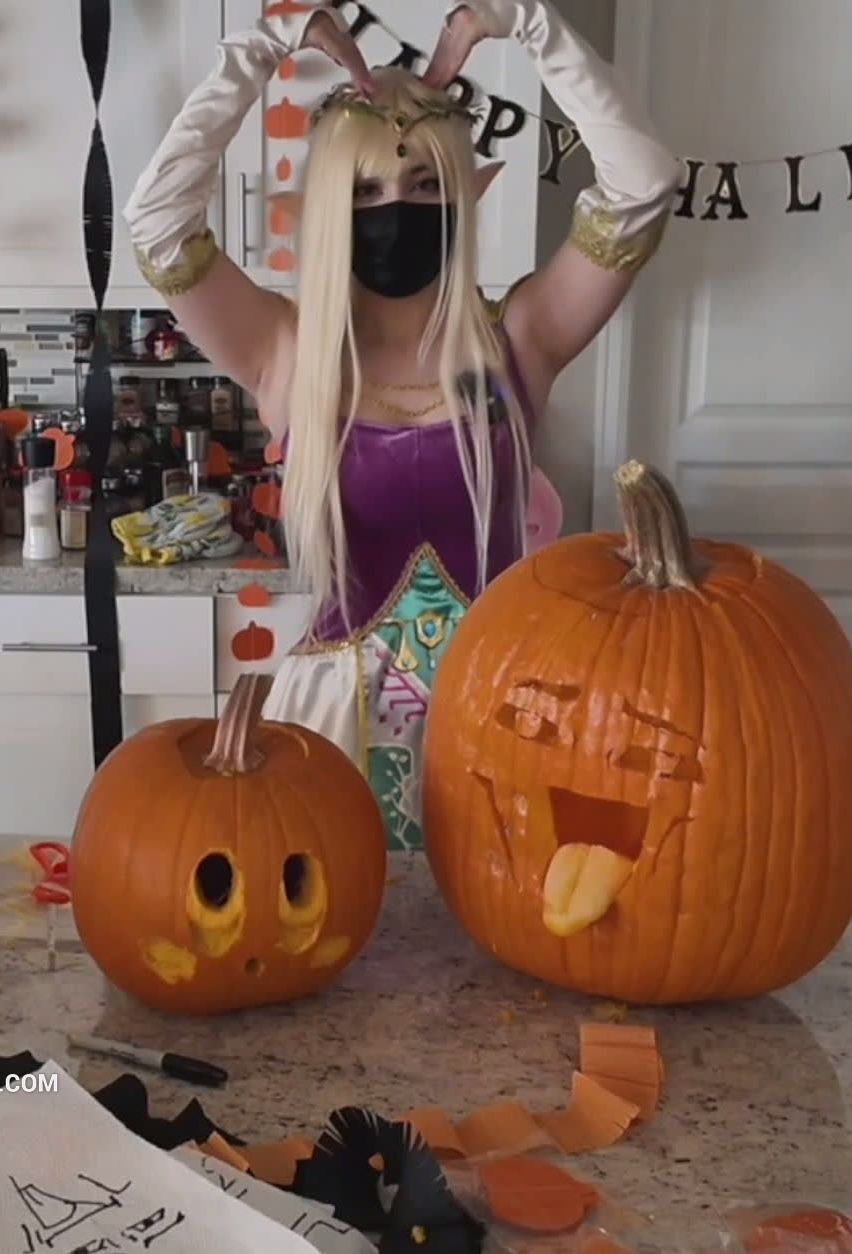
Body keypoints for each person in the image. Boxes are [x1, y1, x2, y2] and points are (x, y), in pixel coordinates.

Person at [124, 0, 680, 850]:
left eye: (425, 184)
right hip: (335, 737)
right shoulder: (287, 353)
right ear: (330, 207)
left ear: (462, 194)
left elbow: (643, 185)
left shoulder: (519, 341)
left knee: (498, 922)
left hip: (506, 719)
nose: (398, 208)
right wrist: (266, 44)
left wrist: (526, 22)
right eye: (367, 190)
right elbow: (158, 226)